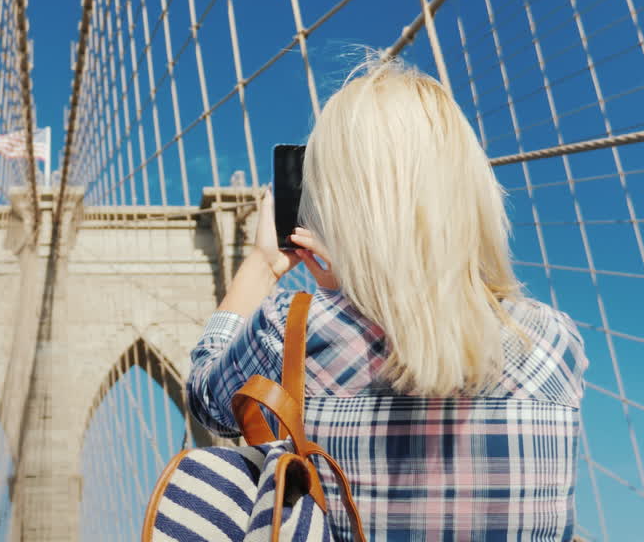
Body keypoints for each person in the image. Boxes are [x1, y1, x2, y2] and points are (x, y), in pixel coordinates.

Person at [186, 59, 588, 541]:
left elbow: (207, 398)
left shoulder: (291, 333)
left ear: (336, 201)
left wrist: (264, 264)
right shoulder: (554, 343)